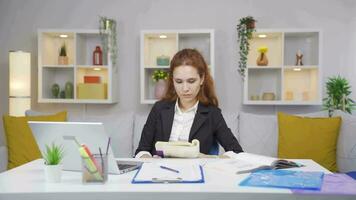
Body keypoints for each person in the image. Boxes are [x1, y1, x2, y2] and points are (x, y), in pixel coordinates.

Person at [135, 49, 243, 158]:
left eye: (191, 81)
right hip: (159, 173)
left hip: (195, 173)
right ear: (172, 80)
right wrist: (149, 160)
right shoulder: (159, 108)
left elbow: (237, 152)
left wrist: (206, 157)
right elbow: (141, 151)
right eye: (179, 81)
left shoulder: (212, 114)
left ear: (202, 79)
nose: (185, 88)